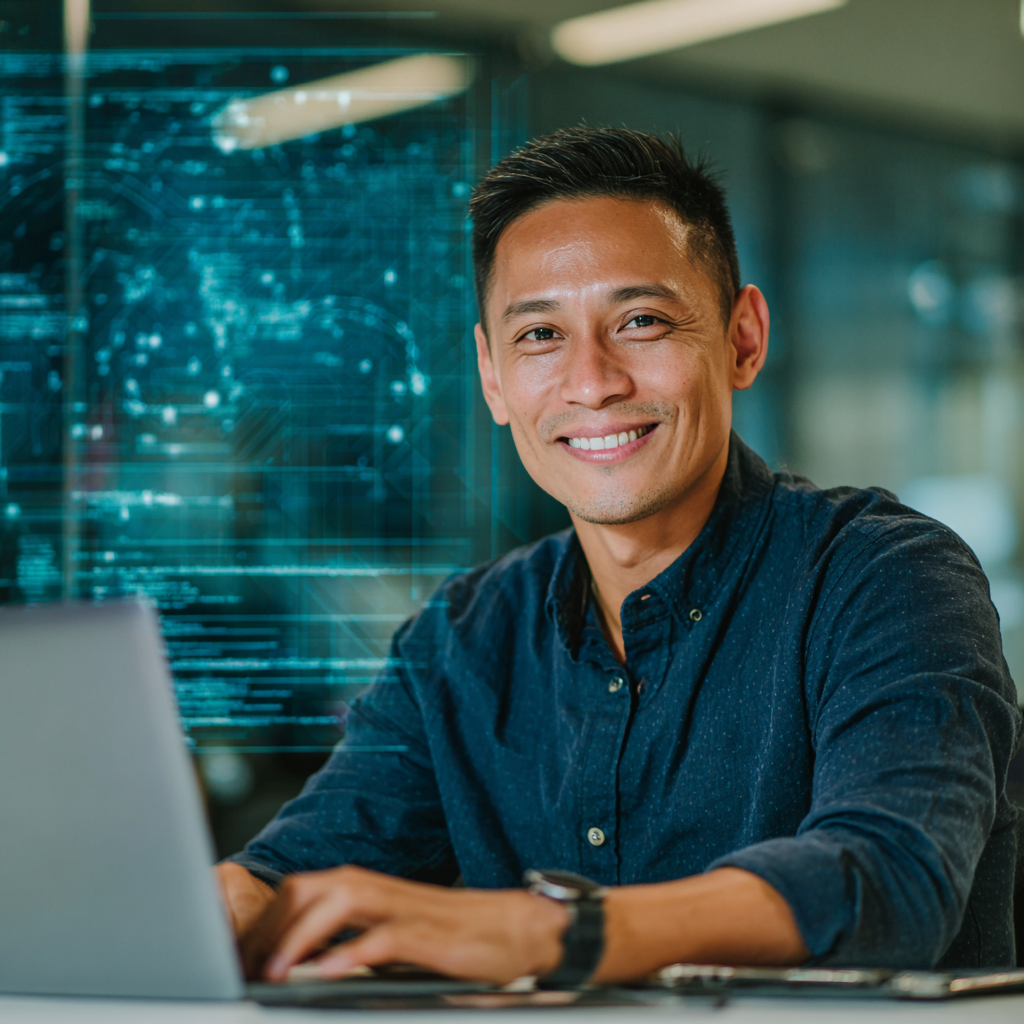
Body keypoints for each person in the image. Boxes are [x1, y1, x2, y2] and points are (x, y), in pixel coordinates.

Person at [217, 127, 1021, 985]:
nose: (593, 381)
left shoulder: (885, 576)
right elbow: (284, 878)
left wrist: (551, 935)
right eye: (540, 335)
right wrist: (212, 910)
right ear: (492, 377)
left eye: (641, 322)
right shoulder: (459, 642)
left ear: (743, 339)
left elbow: (891, 880)